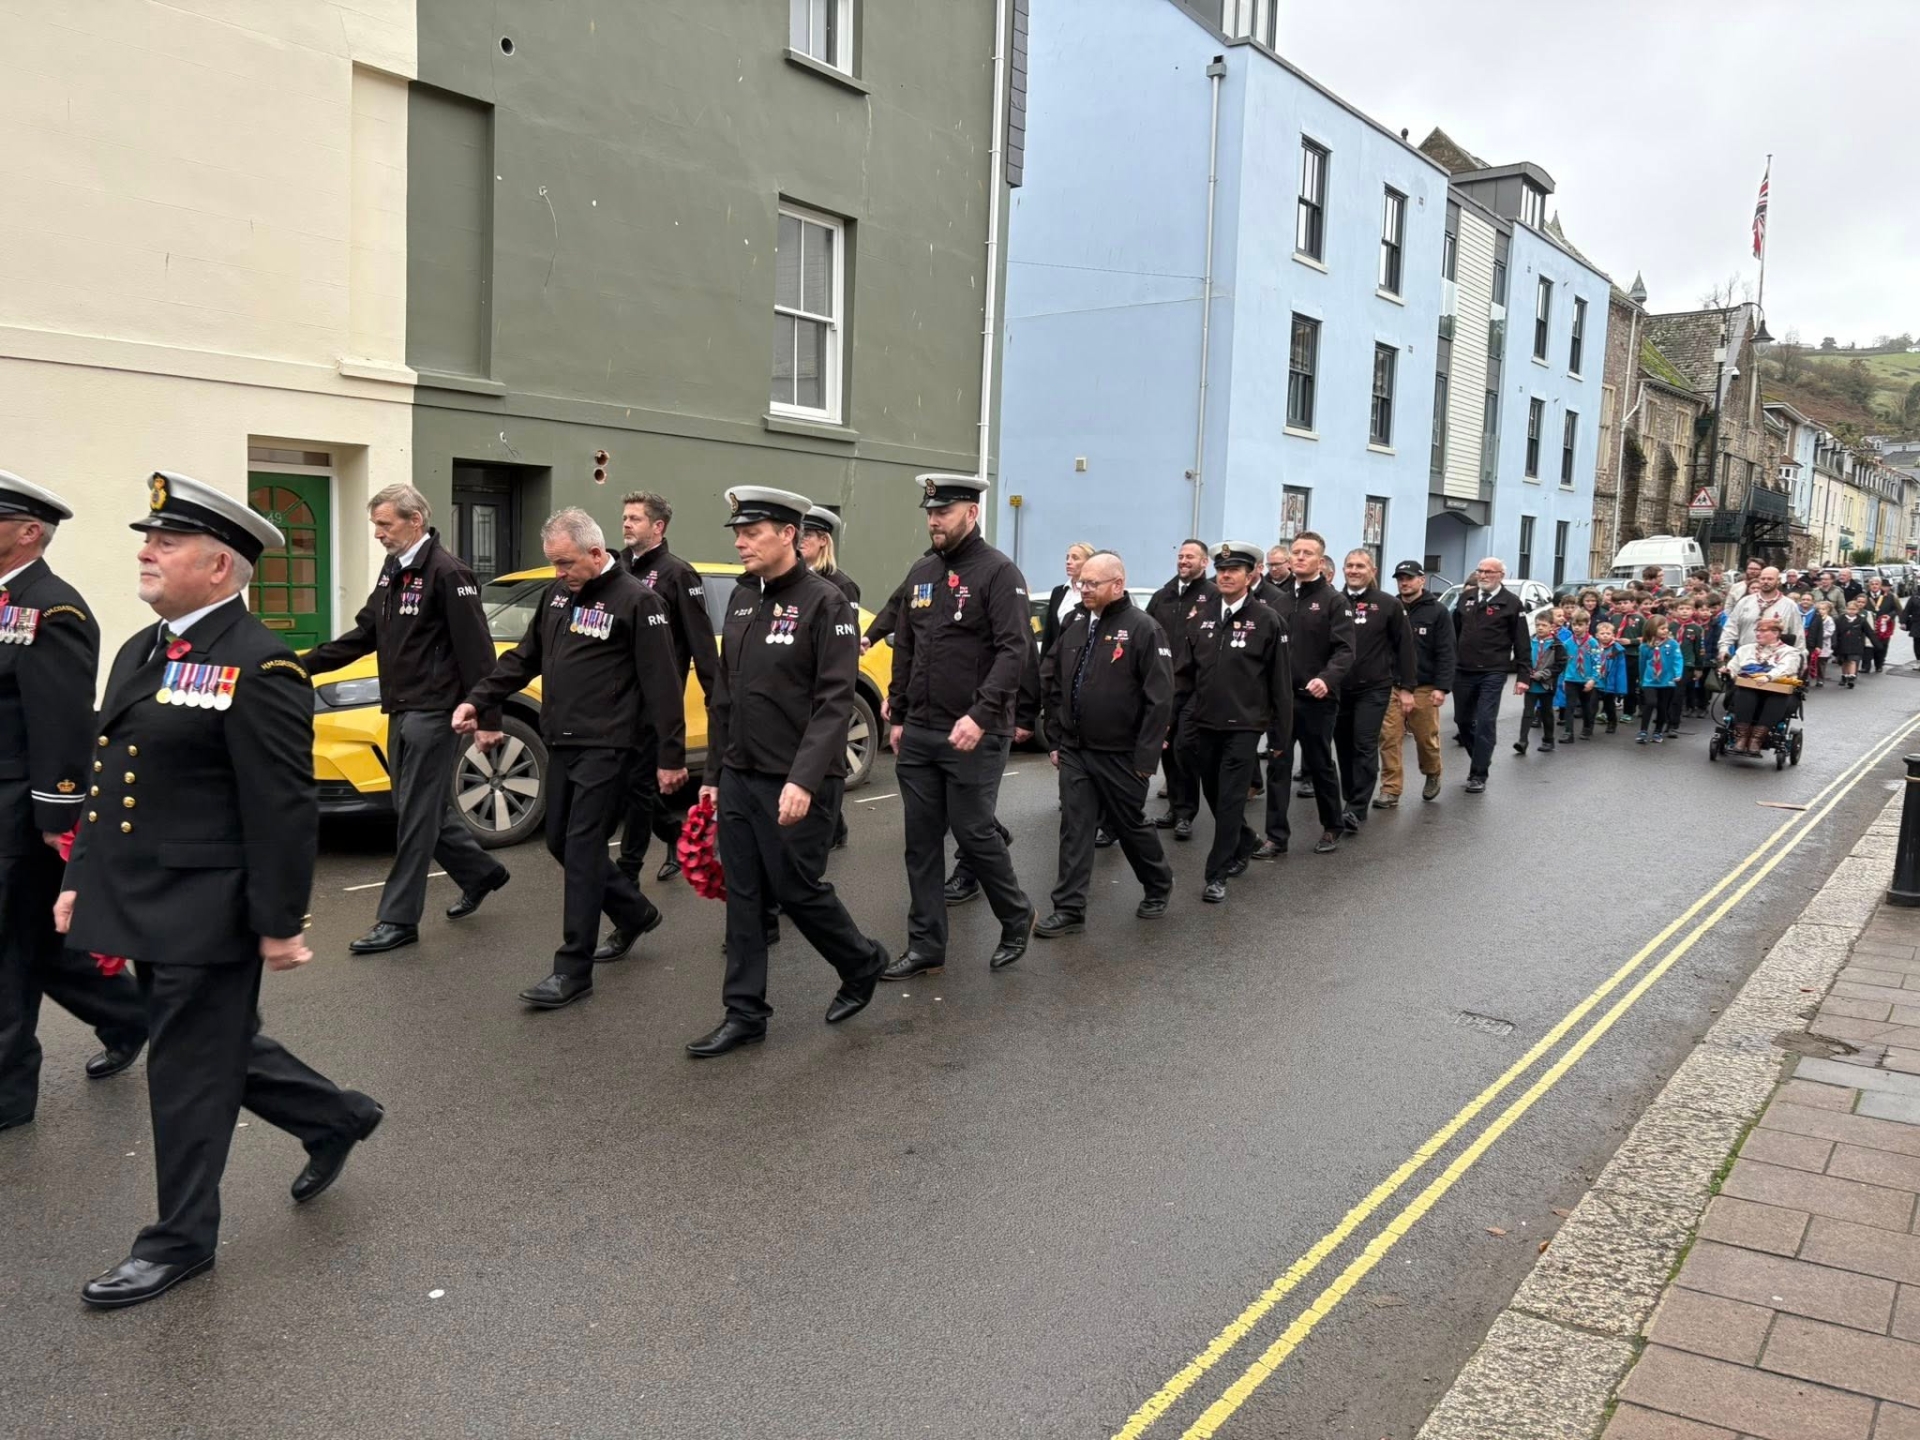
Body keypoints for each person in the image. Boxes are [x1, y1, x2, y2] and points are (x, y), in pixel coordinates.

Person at [57, 471, 382, 1309]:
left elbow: (279, 804)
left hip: (210, 908)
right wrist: (78, 878)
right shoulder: (143, 648)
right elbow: (110, 773)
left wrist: (279, 921)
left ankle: (178, 1242)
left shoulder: (260, 662)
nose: (146, 552)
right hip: (139, 895)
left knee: (189, 1071)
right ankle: (333, 1116)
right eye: (149, 539)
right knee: (210, 1045)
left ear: (220, 566)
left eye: (165, 543)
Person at [682, 489, 888, 1057]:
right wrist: (715, 774)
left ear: (789, 534)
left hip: (798, 780)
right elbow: (726, 695)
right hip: (743, 776)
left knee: (797, 890)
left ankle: (861, 960)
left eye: (751, 533)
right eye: (737, 533)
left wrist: (802, 779)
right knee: (744, 895)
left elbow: (833, 701)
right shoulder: (745, 600)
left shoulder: (827, 603)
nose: (739, 542)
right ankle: (744, 1012)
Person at [455, 508, 687, 1008]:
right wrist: (479, 698)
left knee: (582, 850)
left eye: (565, 563)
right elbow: (524, 657)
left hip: (610, 745)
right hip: (561, 739)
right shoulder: (558, 594)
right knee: (559, 841)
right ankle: (633, 912)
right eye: (554, 564)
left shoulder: (638, 602)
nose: (559, 573)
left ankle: (571, 970)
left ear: (597, 553)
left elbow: (663, 685)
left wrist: (671, 755)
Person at [302, 485, 510, 956]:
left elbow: (478, 653)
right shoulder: (394, 570)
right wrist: (303, 665)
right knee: (422, 808)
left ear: (415, 520)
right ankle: (483, 873)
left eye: (385, 524)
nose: (377, 534)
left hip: (436, 713)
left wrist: (487, 717)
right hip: (400, 709)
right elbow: (364, 635)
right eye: (376, 525)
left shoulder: (449, 573)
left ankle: (398, 919)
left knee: (414, 817)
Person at [0, 472, 147, 1133]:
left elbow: (60, 727)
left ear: (28, 532)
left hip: (18, 811)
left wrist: (56, 820)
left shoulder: (50, 609)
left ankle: (8, 1092)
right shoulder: (8, 600)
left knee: (9, 949)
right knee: (41, 945)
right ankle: (130, 1015)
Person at [883, 476, 1034, 979]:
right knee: (920, 842)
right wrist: (899, 712)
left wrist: (982, 714)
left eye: (943, 512)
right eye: (929, 512)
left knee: (972, 832)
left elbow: (1015, 650)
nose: (933, 520)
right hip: (922, 731)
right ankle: (926, 944)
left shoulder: (998, 573)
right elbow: (905, 645)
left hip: (974, 731)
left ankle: (1016, 917)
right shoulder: (922, 572)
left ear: (970, 513)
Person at [1034, 551, 1174, 935]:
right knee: (1075, 826)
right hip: (1078, 750)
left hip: (1121, 754)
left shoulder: (1144, 629)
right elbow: (1056, 681)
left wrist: (1146, 758)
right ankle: (1069, 908)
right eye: (1082, 582)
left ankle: (1158, 883)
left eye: (1093, 583)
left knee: (1130, 825)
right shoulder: (1074, 623)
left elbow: (1160, 699)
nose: (1084, 589)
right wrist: (1057, 739)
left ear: (1117, 584)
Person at [612, 490, 719, 897]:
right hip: (617, 699)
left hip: (655, 701)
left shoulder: (678, 574)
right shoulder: (617, 568)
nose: (625, 524)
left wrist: (716, 701)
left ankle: (628, 874)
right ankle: (673, 833)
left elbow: (701, 644)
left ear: (658, 527)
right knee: (627, 784)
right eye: (624, 517)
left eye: (635, 518)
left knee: (638, 786)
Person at [1172, 543, 1291, 903]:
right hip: (1203, 723)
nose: (1225, 576)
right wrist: (1170, 719)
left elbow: (1280, 684)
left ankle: (1217, 873)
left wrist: (1279, 735)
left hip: (1243, 726)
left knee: (1230, 801)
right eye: (1221, 570)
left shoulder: (1268, 620)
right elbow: (1184, 675)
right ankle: (1246, 840)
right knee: (1213, 794)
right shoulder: (1201, 616)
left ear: (1251, 575)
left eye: (1234, 570)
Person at [1255, 531, 1351, 856]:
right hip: (1283, 701)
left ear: (1320, 561)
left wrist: (1327, 679)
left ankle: (1332, 826)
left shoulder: (1334, 601)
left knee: (1320, 764)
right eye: (1296, 552)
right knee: (1278, 766)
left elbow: (1345, 651)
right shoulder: (1279, 603)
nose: (1299, 557)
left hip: (1318, 701)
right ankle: (1276, 837)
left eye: (1307, 553)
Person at [1332, 550, 1415, 825]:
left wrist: (1406, 688)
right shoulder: (1334, 601)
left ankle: (1357, 807)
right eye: (1349, 566)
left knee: (1364, 743)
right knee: (1343, 745)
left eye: (1360, 566)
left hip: (1375, 687)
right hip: (1339, 688)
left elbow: (1405, 648)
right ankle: (1350, 794)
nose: (1354, 570)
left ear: (1373, 570)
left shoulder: (1388, 605)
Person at [1146, 539, 1214, 835]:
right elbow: (1146, 631)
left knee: (1185, 747)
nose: (1184, 561)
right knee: (1167, 749)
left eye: (1191, 557)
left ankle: (1187, 812)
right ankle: (1174, 807)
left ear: (1204, 562)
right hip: (1164, 687)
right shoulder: (1164, 595)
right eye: (1181, 556)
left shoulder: (1213, 597)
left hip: (1197, 686)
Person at [1376, 560, 1453, 807]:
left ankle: (1432, 772)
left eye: (1409, 578)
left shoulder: (1437, 612)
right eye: (1400, 578)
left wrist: (1442, 687)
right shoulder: (1390, 607)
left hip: (1425, 686)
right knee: (1389, 737)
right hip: (1393, 684)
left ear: (1421, 579)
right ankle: (1390, 789)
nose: (1404, 582)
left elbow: (1446, 651)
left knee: (1425, 737)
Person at [1452, 557, 1530, 793]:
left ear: (1500, 575)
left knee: (1485, 721)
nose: (1483, 576)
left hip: (1493, 671)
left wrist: (1524, 675)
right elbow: (1452, 634)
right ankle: (1481, 757)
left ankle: (1478, 773)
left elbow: (1522, 642)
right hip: (1463, 670)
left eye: (1488, 572)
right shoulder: (1466, 598)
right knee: (1463, 722)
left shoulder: (1511, 603)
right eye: (1480, 571)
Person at [1727, 616, 1804, 753]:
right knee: (1745, 693)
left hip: (1777, 692)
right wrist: (1729, 671)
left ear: (1775, 633)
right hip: (1748, 690)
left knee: (1777, 697)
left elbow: (1786, 668)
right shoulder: (1746, 649)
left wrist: (1769, 677)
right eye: (1757, 630)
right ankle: (1741, 737)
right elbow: (1733, 667)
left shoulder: (1790, 652)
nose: (1758, 633)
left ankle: (1756, 740)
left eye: (1763, 631)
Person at [1720, 566, 1803, 658]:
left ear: (1778, 581)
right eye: (1763, 579)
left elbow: (1798, 634)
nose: (1766, 581)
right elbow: (1731, 627)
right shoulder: (1745, 602)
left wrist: (1801, 657)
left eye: (1770, 579)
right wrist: (1724, 648)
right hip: (1745, 657)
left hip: (1776, 660)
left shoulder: (1789, 606)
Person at [1512, 613, 1566, 755]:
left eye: (1544, 625)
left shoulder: (1557, 645)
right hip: (1530, 683)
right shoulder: (1530, 642)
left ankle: (1548, 740)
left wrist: (1542, 675)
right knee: (1528, 712)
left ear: (1552, 626)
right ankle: (1522, 741)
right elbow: (1522, 659)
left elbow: (1560, 665)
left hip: (1546, 685)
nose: (1540, 628)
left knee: (1546, 712)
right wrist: (1525, 675)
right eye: (1538, 625)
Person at [1040, 543, 1094, 658]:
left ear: (1089, 562)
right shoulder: (1058, 592)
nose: (1068, 562)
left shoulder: (1092, 593)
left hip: (1083, 659)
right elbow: (1049, 633)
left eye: (1075, 558)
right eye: (1067, 557)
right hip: (1057, 661)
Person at [800, 505, 861, 607]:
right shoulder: (787, 579)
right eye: (797, 534)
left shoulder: (842, 585)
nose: (800, 540)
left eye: (807, 535)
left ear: (823, 540)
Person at [1637, 616, 1683, 744]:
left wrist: (1678, 673)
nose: (1665, 631)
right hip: (1649, 680)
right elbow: (1642, 663)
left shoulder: (1672, 644)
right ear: (1652, 629)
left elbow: (1677, 659)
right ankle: (1643, 731)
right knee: (1650, 702)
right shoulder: (1645, 646)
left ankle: (1658, 731)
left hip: (1666, 680)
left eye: (1666, 628)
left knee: (1662, 706)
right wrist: (1641, 680)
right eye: (1662, 628)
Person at [1556, 609, 1598, 744]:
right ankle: (1568, 732)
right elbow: (1564, 662)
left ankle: (1587, 727)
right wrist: (1563, 678)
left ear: (1587, 625)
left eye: (1580, 625)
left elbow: (1598, 662)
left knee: (1586, 705)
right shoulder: (1567, 643)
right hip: (1571, 679)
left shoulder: (1593, 643)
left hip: (1586, 680)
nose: (1577, 628)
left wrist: (1593, 679)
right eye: (1574, 625)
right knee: (1570, 706)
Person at [1593, 620, 1627, 733]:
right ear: (1597, 635)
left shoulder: (1617, 650)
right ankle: (1588, 725)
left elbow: (1621, 670)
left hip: (1609, 682)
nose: (1605, 636)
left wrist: (1620, 687)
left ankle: (1612, 722)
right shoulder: (1593, 647)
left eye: (1608, 633)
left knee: (1609, 705)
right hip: (1596, 681)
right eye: (1602, 633)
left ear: (1613, 635)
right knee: (1592, 704)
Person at [1831, 596, 1868, 687]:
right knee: (1844, 661)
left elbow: (1869, 632)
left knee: (1852, 660)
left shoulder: (1861, 620)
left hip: (1855, 644)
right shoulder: (1840, 619)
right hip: (1843, 644)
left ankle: (1851, 677)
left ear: (1857, 610)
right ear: (1846, 609)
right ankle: (1844, 676)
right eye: (1849, 609)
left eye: (1854, 609)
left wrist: (1876, 643)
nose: (1851, 611)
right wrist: (1834, 642)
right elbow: (1835, 632)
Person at [1865, 577, 1898, 674]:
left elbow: (1896, 609)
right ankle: (1865, 666)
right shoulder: (1864, 596)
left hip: (1884, 626)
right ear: (1869, 586)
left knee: (1881, 646)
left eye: (1876, 584)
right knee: (1867, 645)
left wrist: (1889, 616)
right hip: (1869, 624)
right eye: (1872, 584)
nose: (1874, 586)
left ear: (1880, 585)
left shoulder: (1890, 596)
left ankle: (1879, 665)